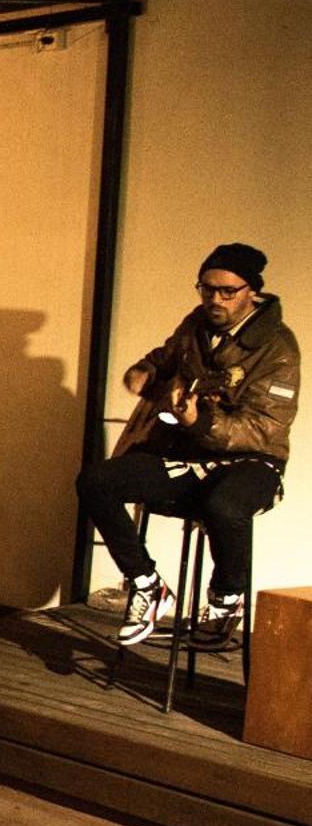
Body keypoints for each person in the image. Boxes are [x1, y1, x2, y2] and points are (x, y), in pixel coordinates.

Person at [76, 243, 298, 647]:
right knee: (96, 480)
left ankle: (228, 596)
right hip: (187, 455)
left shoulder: (279, 348)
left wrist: (203, 421)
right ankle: (146, 583)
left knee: (224, 504)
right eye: (207, 289)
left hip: (252, 463)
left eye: (227, 291)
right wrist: (144, 371)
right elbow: (166, 357)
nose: (215, 299)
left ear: (253, 291)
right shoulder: (196, 325)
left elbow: (264, 428)